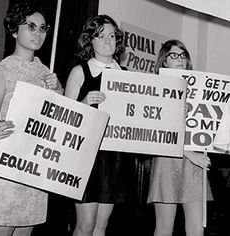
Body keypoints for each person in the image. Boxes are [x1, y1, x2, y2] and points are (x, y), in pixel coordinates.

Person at [0, 1, 63, 236]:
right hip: (6, 170)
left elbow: (60, 121)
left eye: (43, 28)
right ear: (14, 30)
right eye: (31, 26)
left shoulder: (46, 74)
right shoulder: (1, 71)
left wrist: (59, 91)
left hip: (34, 170)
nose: (38, 33)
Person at [65, 14, 134, 236]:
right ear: (90, 40)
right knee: (85, 225)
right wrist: (84, 103)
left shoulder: (127, 76)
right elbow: (64, 118)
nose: (107, 41)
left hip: (114, 158)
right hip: (86, 156)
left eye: (112, 35)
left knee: (101, 227)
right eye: (101, 36)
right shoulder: (80, 72)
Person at [147, 39, 212, 236]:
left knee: (196, 228)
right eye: (173, 55)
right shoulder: (154, 88)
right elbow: (153, 132)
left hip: (195, 162)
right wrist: (189, 152)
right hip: (168, 161)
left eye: (183, 55)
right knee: (164, 228)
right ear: (164, 61)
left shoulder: (199, 89)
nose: (180, 59)